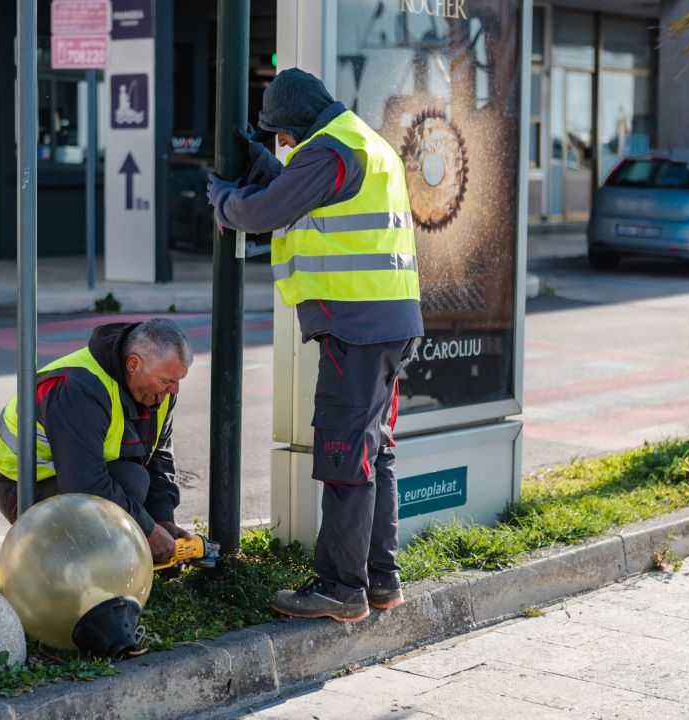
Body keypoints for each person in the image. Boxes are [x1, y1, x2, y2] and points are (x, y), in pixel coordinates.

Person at [207, 68, 423, 622]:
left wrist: (227, 202)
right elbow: (308, 196)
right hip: (388, 323)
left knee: (345, 453)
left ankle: (339, 588)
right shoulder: (362, 141)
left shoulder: (331, 150)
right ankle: (379, 580)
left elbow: (265, 212)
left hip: (355, 325)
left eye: (283, 134)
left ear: (300, 123)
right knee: (374, 450)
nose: (283, 143)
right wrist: (264, 166)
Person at [0, 318, 192, 565]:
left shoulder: (158, 391)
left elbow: (159, 457)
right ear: (133, 364)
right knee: (131, 481)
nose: (174, 390)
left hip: (69, 479)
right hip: (20, 487)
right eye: (167, 381)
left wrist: (162, 519)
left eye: (178, 380)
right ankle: (76, 573)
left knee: (134, 479)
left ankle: (119, 563)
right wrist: (148, 531)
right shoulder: (80, 389)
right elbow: (84, 484)